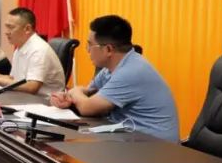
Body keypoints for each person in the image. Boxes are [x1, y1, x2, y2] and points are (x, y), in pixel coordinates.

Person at [50, 15, 179, 141]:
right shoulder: (110, 68)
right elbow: (89, 93)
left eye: (90, 45)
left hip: (155, 146)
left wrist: (75, 91)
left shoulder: (131, 71)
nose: (88, 50)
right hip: (129, 136)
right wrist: (67, 99)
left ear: (108, 49)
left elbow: (87, 107)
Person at [0, 8, 66, 94]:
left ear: (27, 29)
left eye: (11, 27)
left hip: (44, 101)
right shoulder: (20, 48)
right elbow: (15, 79)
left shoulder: (39, 50)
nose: (6, 32)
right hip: (26, 97)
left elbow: (32, 87)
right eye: (6, 27)